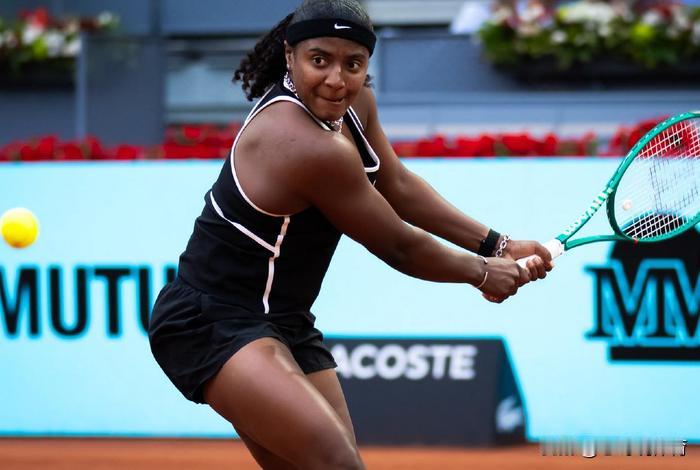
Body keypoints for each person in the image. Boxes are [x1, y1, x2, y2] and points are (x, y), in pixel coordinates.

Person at [149, 0, 553, 468]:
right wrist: (482, 273)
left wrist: (499, 244)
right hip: (213, 320)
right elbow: (398, 245)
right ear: (289, 56)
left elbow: (397, 184)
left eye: (353, 64)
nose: (337, 79)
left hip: (285, 320)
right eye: (319, 60)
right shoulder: (303, 144)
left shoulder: (355, 107)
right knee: (338, 462)